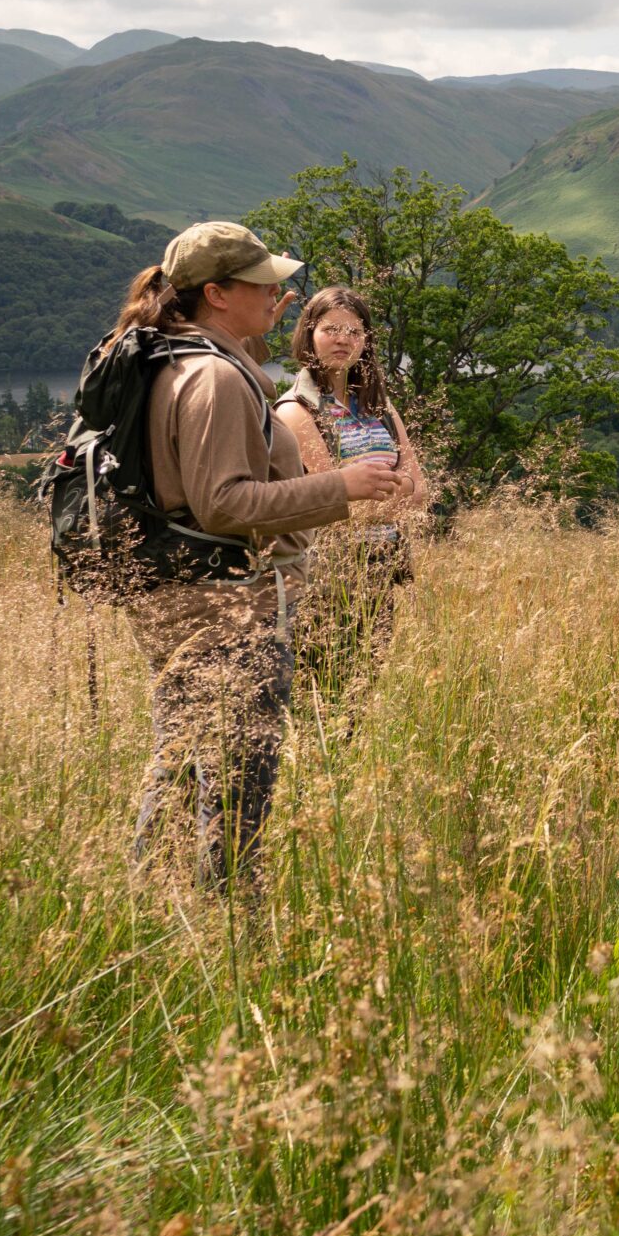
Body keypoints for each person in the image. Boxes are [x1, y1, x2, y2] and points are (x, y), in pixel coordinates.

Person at [120, 224, 407, 889]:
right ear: (217, 293)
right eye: (263, 284)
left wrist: (252, 333)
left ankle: (153, 907)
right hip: (226, 612)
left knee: (183, 763)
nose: (279, 292)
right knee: (235, 790)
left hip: (176, 599)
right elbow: (222, 503)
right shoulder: (216, 378)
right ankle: (229, 928)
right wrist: (344, 486)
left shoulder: (178, 356)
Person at [274, 286, 431, 690]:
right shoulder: (296, 410)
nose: (343, 339)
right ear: (308, 333)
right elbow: (333, 507)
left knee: (362, 689)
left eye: (354, 332)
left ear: (366, 340)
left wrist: (382, 495)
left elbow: (422, 489)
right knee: (324, 691)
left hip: (381, 564)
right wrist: (398, 492)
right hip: (328, 575)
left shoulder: (379, 405)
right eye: (331, 329)